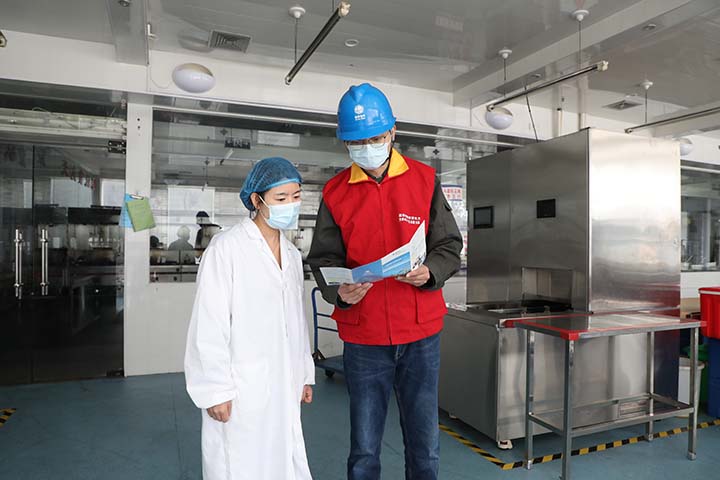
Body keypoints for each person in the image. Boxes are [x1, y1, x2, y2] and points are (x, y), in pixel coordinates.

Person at [307, 83, 462, 480]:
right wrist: (339, 292)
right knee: (364, 448)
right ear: (345, 143)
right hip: (365, 334)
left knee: (425, 444)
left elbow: (448, 245)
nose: (368, 147)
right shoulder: (335, 193)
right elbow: (322, 260)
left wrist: (430, 272)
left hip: (420, 332)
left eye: (375, 138)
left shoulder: (424, 180)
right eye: (357, 142)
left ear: (393, 131)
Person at [185, 157, 315, 480]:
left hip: (283, 381)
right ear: (257, 201)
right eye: (281, 198)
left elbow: (296, 321)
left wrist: (304, 373)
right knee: (240, 462)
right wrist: (215, 390)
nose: (291, 205)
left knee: (283, 458)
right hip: (241, 385)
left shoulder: (293, 255)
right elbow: (209, 323)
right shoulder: (226, 248)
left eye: (296, 196)